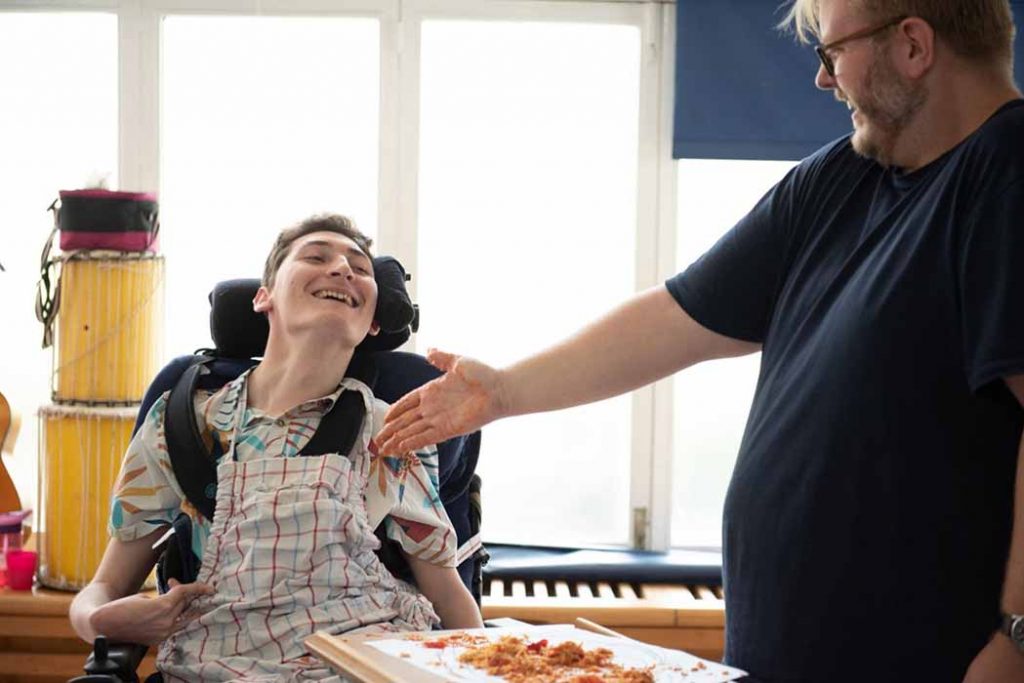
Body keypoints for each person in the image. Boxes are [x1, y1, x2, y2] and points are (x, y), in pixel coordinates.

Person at [376, 1, 1024, 681]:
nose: (823, 82)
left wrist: (1017, 635)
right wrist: (504, 389)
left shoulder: (1004, 175)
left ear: (914, 46)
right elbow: (675, 317)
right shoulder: (840, 180)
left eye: (832, 54)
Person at [70, 214, 482, 681]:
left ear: (372, 323)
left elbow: (448, 595)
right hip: (214, 667)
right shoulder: (182, 423)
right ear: (263, 297)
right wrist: (97, 621)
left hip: (362, 665)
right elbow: (103, 587)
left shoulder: (392, 429)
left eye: (360, 268)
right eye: (316, 256)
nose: (343, 269)